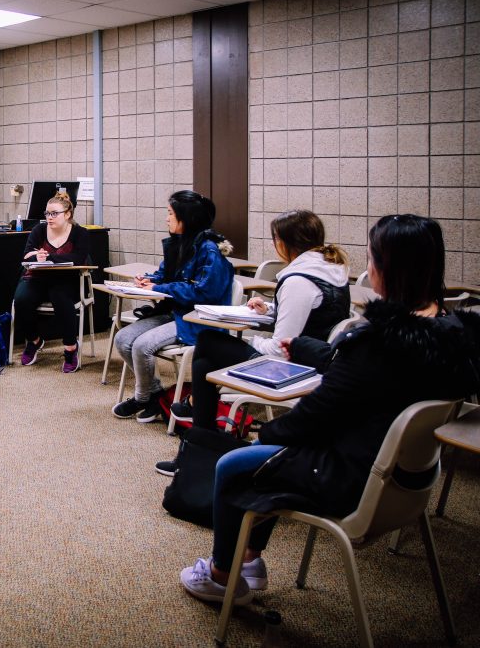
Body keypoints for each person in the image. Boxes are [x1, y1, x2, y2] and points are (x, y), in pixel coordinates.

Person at [178, 214, 480, 606]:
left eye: (373, 259)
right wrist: (307, 349)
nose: (368, 269)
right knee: (268, 456)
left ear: (387, 269)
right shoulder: (452, 337)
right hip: (406, 479)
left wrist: (268, 434)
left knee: (234, 464)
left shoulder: (375, 345)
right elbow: (366, 381)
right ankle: (249, 560)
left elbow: (318, 413)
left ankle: (222, 576)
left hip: (349, 476)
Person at [155, 210, 351, 476]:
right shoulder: (330, 270)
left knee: (207, 344)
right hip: (314, 360)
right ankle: (198, 435)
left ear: (283, 243)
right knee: (205, 358)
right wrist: (268, 309)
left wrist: (251, 338)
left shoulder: (298, 281)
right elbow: (311, 314)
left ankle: (197, 445)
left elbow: (279, 348)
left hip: (292, 368)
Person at [112, 190, 234, 420]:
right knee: (123, 339)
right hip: (176, 311)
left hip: (196, 319)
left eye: (170, 213)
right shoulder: (181, 244)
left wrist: (159, 288)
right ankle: (157, 396)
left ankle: (142, 397)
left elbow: (203, 292)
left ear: (186, 218)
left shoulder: (210, 251)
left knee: (142, 346)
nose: (167, 218)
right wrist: (150, 280)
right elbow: (167, 275)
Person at [14, 191, 92, 373]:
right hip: (38, 278)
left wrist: (50, 257)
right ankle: (34, 341)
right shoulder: (39, 230)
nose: (49, 217)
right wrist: (36, 255)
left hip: (66, 279)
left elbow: (79, 257)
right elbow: (26, 254)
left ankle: (71, 348)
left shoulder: (80, 233)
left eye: (54, 213)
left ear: (67, 214)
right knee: (21, 299)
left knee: (60, 297)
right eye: (47, 214)